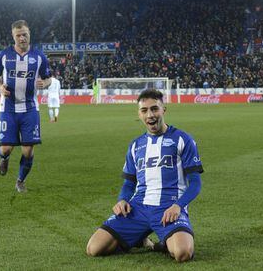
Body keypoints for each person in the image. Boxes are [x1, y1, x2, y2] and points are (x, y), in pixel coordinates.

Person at [86, 89, 203, 262]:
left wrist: (178, 206)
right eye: (144, 110)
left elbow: (195, 183)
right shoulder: (135, 145)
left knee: (182, 253)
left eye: (154, 109)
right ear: (139, 114)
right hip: (138, 208)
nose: (150, 114)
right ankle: (139, 238)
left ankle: (159, 244)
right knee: (94, 248)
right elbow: (128, 183)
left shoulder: (182, 139)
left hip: (168, 206)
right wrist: (122, 200)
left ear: (164, 110)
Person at [0, 20, 51, 192]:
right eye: (18, 35)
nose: (22, 38)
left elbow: (48, 78)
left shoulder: (39, 56)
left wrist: (44, 83)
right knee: (5, 148)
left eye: (24, 34)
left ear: (29, 34)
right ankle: (4, 158)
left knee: (28, 151)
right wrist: (0, 87)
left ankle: (20, 180)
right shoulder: (3, 55)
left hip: (30, 109)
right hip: (8, 109)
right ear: (13, 36)